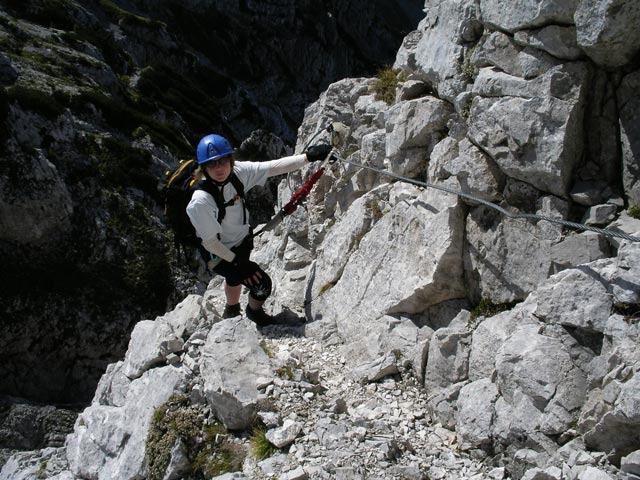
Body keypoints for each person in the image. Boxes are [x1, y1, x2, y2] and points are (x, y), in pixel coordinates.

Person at [186, 133, 332, 326]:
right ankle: (254, 312)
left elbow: (273, 167)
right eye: (212, 164)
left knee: (234, 278)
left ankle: (231, 309)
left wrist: (308, 157)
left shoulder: (238, 173)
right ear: (204, 167)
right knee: (262, 284)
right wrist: (238, 262)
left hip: (240, 240)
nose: (218, 167)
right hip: (219, 253)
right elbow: (211, 243)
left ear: (230, 159)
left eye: (222, 160)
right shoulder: (200, 201)